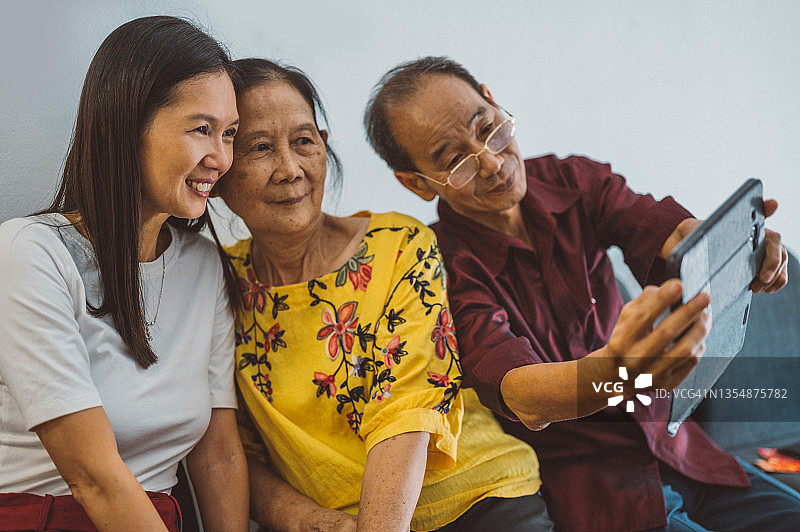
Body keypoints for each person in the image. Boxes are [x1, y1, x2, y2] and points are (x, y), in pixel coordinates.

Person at [363, 56, 799, 531]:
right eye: (455, 160)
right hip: (593, 489)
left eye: (487, 128)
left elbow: (667, 231)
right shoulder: (437, 268)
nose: (491, 162)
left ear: (490, 98)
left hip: (674, 443)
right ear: (417, 184)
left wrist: (737, 247)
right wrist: (615, 372)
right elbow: (520, 390)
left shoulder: (570, 180)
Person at [213, 58, 553, 532]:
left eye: (304, 141)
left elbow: (407, 413)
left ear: (324, 148)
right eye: (260, 148)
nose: (290, 169)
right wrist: (313, 522)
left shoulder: (399, 244)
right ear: (220, 169)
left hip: (478, 502)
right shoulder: (216, 281)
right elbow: (232, 450)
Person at [0, 16, 249, 531]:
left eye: (229, 134)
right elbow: (92, 476)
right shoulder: (30, 253)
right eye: (201, 129)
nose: (220, 158)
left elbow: (218, 454)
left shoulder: (204, 267)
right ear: (125, 123)